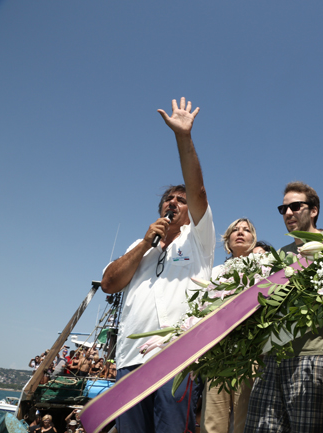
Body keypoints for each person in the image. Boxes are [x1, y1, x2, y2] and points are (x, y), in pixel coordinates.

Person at [101, 97, 215, 433]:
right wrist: (145, 243)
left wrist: (183, 137)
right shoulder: (140, 245)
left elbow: (199, 189)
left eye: (181, 200)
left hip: (175, 358)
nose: (174, 203)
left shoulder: (199, 239)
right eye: (169, 198)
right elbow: (109, 283)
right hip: (129, 360)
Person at [244, 181, 323, 433]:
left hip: (311, 355)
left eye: (295, 206)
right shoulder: (278, 255)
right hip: (272, 358)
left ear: (314, 210)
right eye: (283, 208)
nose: (288, 213)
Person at [202, 218, 260, 433]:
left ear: (253, 239)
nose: (240, 233)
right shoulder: (215, 273)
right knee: (213, 419)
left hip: (250, 353)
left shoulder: (264, 270)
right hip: (218, 354)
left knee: (245, 420)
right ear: (227, 240)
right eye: (235, 230)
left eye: (246, 230)